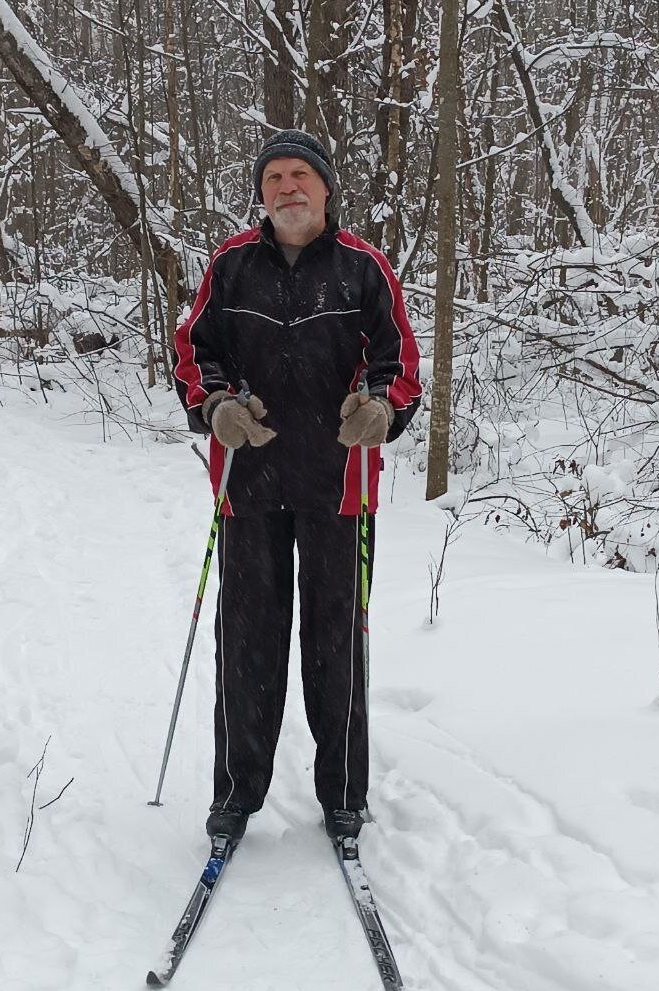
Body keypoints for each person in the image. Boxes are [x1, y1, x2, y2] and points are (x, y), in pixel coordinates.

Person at [173, 130, 421, 843]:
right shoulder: (231, 265)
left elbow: (399, 358)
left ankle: (343, 791)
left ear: (325, 188)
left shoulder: (364, 268)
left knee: (334, 641)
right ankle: (237, 791)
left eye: (300, 175)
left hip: (337, 482)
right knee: (246, 638)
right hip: (246, 481)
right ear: (261, 193)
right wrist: (216, 405)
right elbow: (195, 350)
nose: (287, 188)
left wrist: (381, 406)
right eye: (275, 177)